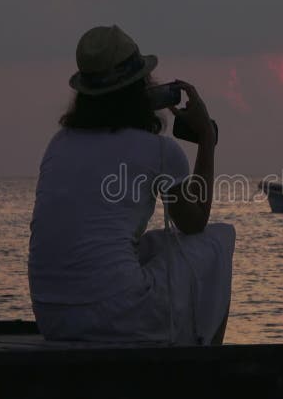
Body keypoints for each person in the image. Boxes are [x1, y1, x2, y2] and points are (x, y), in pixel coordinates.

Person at [28, 25, 235, 345]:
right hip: (115, 315)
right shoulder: (160, 151)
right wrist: (206, 138)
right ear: (141, 89)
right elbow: (195, 223)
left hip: (52, 318)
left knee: (155, 246)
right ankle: (208, 363)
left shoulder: (59, 143)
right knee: (220, 240)